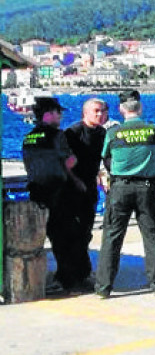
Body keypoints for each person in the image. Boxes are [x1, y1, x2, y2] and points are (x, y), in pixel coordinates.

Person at [95, 90, 155, 298]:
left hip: (120, 187)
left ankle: (103, 287)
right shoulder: (154, 130)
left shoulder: (113, 133)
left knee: (111, 236)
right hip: (147, 186)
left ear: (121, 109)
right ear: (140, 107)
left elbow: (106, 159)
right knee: (152, 235)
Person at [21, 97, 87, 294]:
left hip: (36, 189)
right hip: (58, 190)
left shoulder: (29, 137)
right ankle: (69, 279)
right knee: (66, 236)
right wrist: (76, 160)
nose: (61, 116)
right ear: (49, 113)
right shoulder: (57, 135)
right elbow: (68, 162)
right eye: (59, 112)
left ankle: (51, 276)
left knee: (46, 234)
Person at [59, 98, 109, 291]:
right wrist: (75, 180)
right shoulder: (73, 132)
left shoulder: (102, 133)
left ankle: (81, 273)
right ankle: (72, 274)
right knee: (72, 232)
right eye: (96, 111)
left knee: (85, 232)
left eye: (103, 111)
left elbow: (102, 161)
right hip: (71, 186)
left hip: (89, 186)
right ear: (85, 113)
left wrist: (102, 177)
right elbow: (63, 161)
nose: (100, 114)